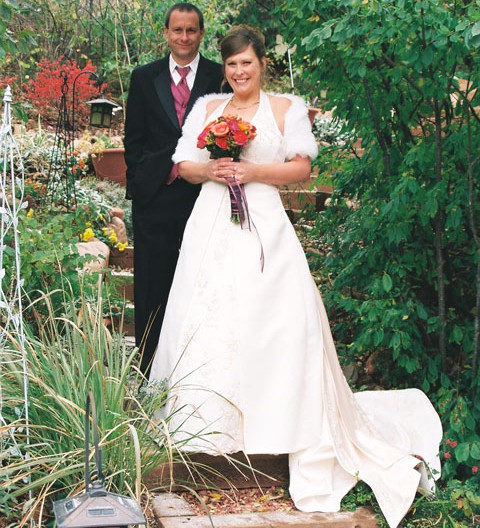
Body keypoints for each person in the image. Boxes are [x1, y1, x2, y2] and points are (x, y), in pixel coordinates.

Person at [149, 26, 442, 528]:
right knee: (206, 314)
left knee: (275, 320)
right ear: (225, 68)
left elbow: (301, 169)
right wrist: (215, 170)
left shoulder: (286, 108)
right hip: (212, 222)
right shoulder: (207, 110)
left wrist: (253, 173)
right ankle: (206, 431)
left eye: (248, 63)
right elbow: (184, 165)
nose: (240, 72)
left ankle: (275, 423)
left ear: (262, 63)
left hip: (263, 222)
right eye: (232, 64)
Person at [123, 3, 225, 375]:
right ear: (165, 33)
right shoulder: (143, 77)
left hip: (204, 196)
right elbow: (133, 139)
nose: (184, 38)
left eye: (191, 31)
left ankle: (194, 370)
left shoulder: (219, 76)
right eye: (177, 30)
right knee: (152, 285)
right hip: (156, 197)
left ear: (201, 33)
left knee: (200, 283)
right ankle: (148, 371)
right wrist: (141, 181)